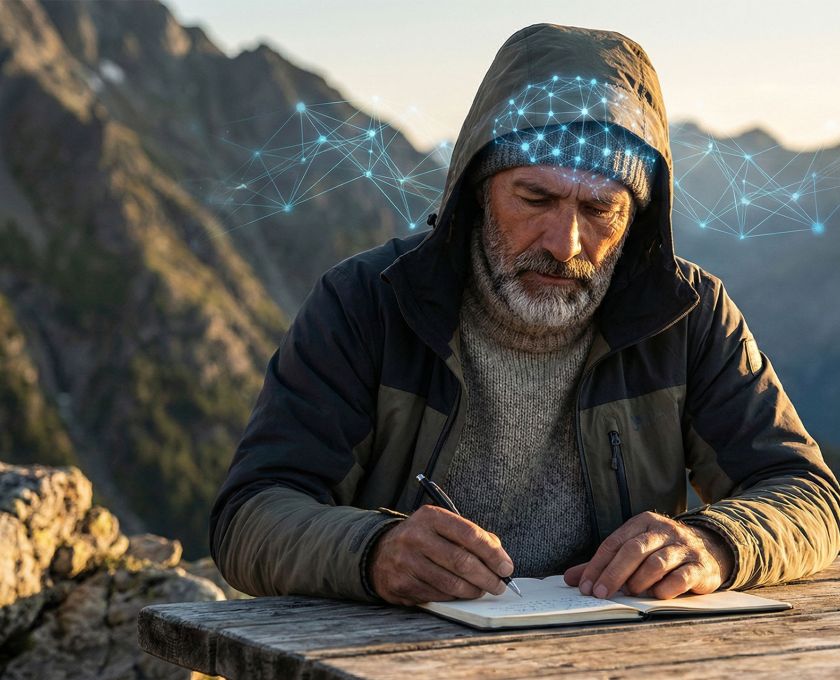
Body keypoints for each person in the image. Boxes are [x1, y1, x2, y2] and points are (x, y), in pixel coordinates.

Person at [209, 23, 840, 606]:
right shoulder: (365, 304)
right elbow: (250, 516)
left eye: (600, 212)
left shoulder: (689, 316)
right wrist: (372, 552)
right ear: (478, 187)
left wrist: (717, 544)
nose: (563, 243)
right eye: (535, 197)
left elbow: (809, 496)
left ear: (637, 216)